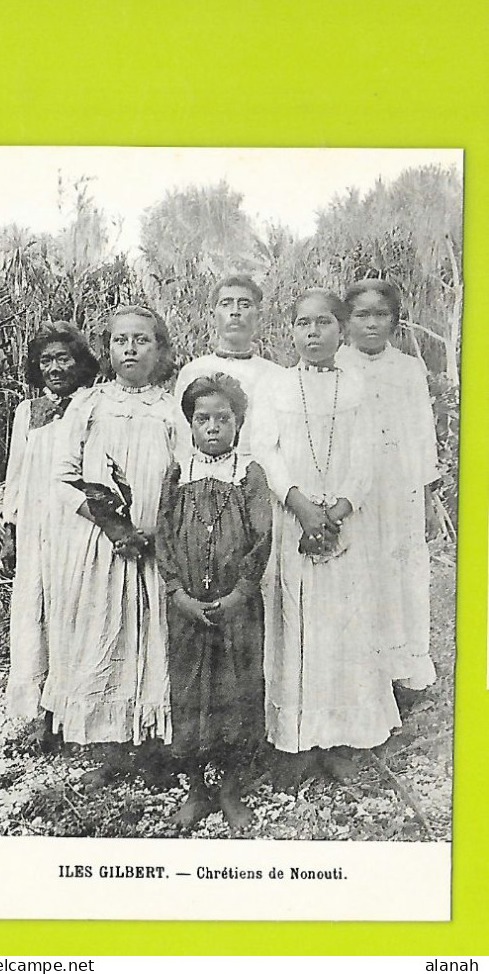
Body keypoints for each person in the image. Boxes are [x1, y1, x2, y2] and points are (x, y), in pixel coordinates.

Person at [251, 289, 401, 782]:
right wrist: (300, 505)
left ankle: (340, 740)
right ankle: (295, 742)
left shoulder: (357, 386)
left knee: (343, 627)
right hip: (291, 519)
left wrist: (335, 511)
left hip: (343, 524)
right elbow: (266, 452)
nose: (312, 334)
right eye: (302, 324)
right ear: (290, 330)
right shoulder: (275, 387)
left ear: (341, 330)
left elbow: (367, 460)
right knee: (293, 625)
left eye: (323, 324)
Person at [41, 305, 177, 772]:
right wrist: (116, 527)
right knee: (104, 630)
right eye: (122, 341)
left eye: (142, 339)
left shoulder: (171, 407)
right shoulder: (89, 405)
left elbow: (184, 474)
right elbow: (62, 478)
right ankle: (108, 743)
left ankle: (152, 740)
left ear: (159, 349)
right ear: (108, 349)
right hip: (103, 544)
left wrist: (156, 530)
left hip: (156, 545)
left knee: (153, 633)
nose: (132, 349)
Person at [157, 373, 272, 830]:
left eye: (222, 419)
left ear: (238, 423)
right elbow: (164, 537)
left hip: (237, 610)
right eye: (201, 419)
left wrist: (241, 592)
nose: (211, 428)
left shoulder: (249, 473)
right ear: (189, 424)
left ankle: (230, 788)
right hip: (187, 608)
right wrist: (177, 592)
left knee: (236, 692)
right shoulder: (178, 473)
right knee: (188, 691)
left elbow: (262, 537)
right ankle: (196, 789)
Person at [337, 278, 439, 695]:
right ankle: (361, 671)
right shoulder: (337, 366)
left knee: (400, 571)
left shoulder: (408, 369)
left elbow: (422, 435)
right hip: (353, 490)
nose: (372, 324)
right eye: (362, 315)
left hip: (399, 487)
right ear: (346, 322)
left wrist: (428, 497)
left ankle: (404, 668)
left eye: (381, 315)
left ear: (395, 321)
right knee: (359, 571)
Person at [2, 321, 99, 742]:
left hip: (76, 527)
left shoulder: (94, 406)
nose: (55, 368)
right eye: (46, 360)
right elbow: (17, 475)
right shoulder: (28, 412)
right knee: (34, 612)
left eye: (64, 358)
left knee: (74, 614)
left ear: (80, 363)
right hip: (36, 530)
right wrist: (10, 527)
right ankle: (42, 716)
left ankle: (75, 711)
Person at [174, 275, 279, 461]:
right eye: (226, 304)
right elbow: (183, 442)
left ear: (258, 315)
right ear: (212, 314)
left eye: (245, 304)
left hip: (260, 480)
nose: (235, 312)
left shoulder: (275, 375)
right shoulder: (192, 372)